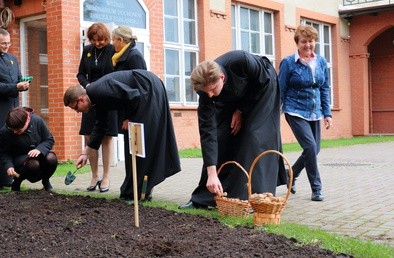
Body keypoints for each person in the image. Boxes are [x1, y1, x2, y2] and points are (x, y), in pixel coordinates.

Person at [179, 50, 287, 209]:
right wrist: (211, 173)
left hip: (263, 87)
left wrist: (241, 110)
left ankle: (253, 197)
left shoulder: (241, 62)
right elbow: (208, 132)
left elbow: (261, 84)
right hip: (232, 94)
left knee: (253, 135)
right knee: (221, 134)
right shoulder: (205, 90)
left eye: (213, 89)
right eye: (205, 92)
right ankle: (205, 197)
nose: (209, 95)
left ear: (221, 77)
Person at [64, 69, 181, 201]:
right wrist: (85, 153)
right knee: (132, 146)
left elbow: (134, 96)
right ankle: (134, 191)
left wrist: (128, 117)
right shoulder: (95, 97)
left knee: (142, 143)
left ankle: (142, 191)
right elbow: (101, 125)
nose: (77, 112)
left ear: (81, 99)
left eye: (75, 108)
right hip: (141, 94)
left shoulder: (99, 91)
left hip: (148, 88)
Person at [278, 25, 333, 202]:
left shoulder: (321, 62)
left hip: (315, 112)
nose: (308, 45)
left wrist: (327, 113)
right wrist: (275, 112)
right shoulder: (288, 63)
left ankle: (290, 175)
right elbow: (280, 88)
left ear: (315, 41)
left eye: (311, 41)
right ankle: (317, 188)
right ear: (298, 43)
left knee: (314, 149)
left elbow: (324, 88)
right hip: (295, 110)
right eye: (304, 41)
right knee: (310, 147)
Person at [76, 23, 117, 193]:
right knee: (88, 136)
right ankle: (94, 175)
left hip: (109, 97)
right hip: (90, 98)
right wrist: (87, 85)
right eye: (94, 40)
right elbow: (80, 74)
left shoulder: (113, 50)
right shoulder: (87, 50)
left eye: (100, 40)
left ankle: (106, 176)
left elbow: (116, 72)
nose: (98, 43)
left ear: (106, 38)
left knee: (106, 137)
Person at [0, 107, 58, 192]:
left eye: (18, 130)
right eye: (12, 129)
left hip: (39, 155)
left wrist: (39, 149)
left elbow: (49, 139)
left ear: (28, 119)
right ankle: (17, 181)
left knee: (51, 158)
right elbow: (4, 153)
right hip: (19, 159)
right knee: (33, 164)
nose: (15, 132)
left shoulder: (37, 121)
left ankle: (45, 181)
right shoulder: (5, 131)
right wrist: (9, 166)